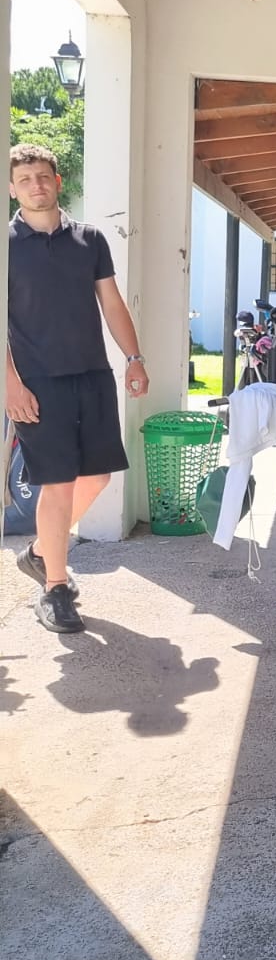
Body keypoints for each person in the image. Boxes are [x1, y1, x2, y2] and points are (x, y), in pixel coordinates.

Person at [6, 145, 148, 634]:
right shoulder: (6, 245)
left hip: (92, 373)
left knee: (98, 477)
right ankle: (56, 587)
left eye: (43, 177)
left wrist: (134, 358)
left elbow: (112, 303)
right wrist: (10, 385)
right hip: (36, 382)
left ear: (57, 181)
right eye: (25, 180)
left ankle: (40, 551)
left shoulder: (90, 239)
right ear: (12, 189)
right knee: (58, 482)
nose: (36, 186)